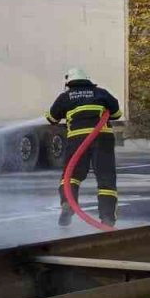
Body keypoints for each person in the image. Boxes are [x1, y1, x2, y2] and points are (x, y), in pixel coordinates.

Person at [45, 67, 122, 227]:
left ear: (69, 83)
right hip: (102, 138)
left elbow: (52, 118)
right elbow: (116, 114)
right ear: (87, 80)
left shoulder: (65, 97)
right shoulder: (101, 93)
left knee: (71, 175)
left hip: (77, 139)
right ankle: (107, 218)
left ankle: (67, 203)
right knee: (106, 178)